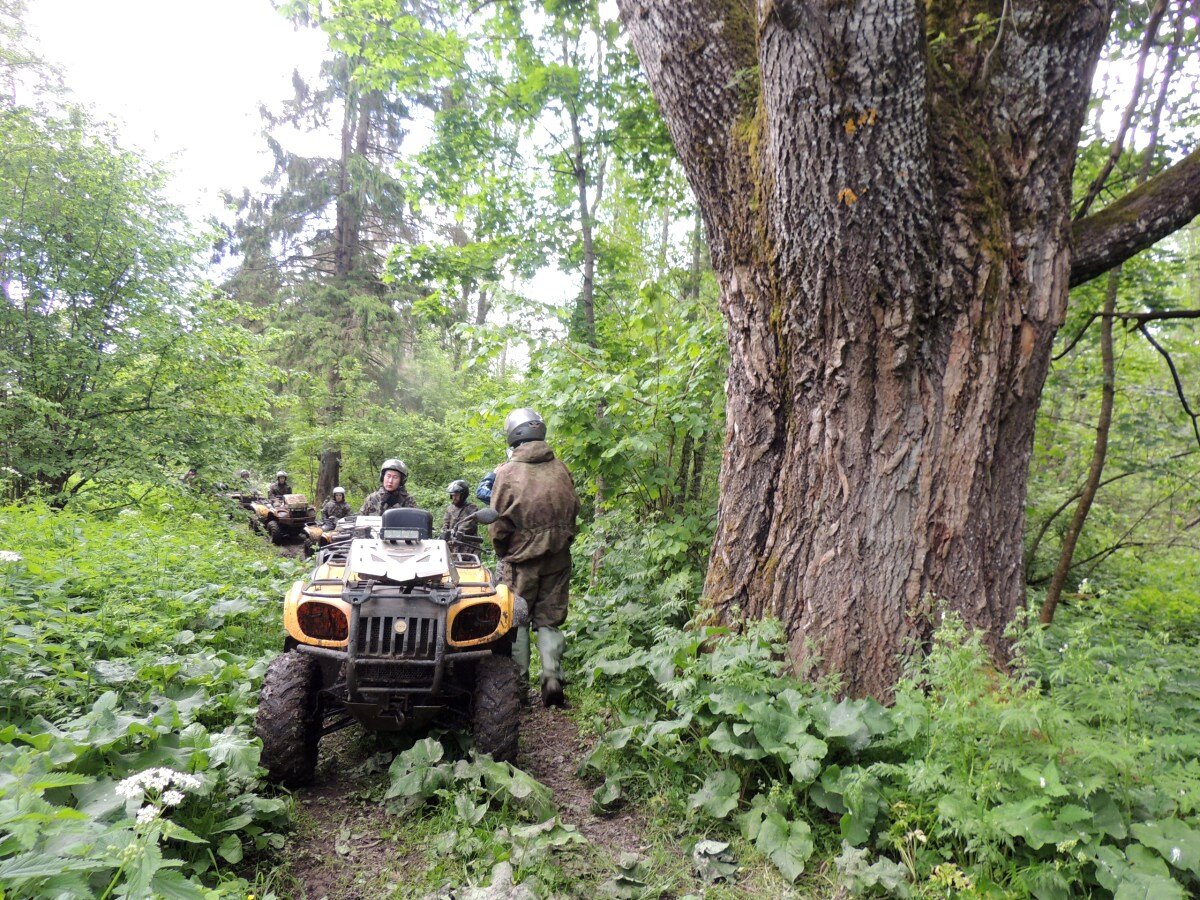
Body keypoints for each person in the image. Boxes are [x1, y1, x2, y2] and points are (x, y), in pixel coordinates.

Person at [489, 408, 580, 708]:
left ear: (514, 435)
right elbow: (574, 507)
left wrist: (504, 552)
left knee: (517, 621)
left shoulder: (507, 472)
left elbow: (499, 523)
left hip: (521, 560)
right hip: (558, 557)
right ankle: (552, 677)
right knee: (550, 620)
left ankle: (517, 690)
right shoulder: (561, 468)